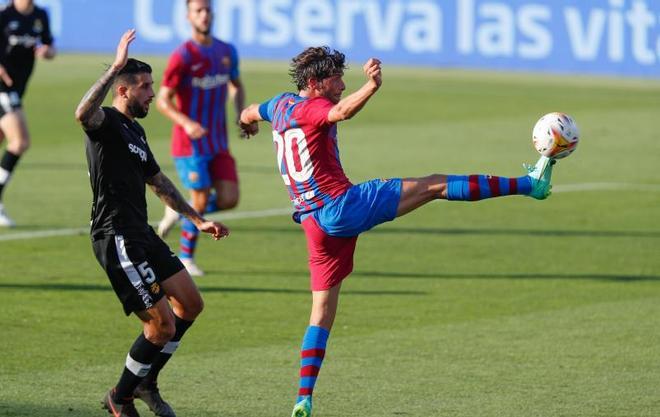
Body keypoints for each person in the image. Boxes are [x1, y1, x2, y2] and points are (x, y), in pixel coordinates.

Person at [239, 46, 556, 417]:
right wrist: (371, 86)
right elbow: (340, 112)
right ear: (313, 83)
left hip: (312, 224)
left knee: (321, 312)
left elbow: (248, 112)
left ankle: (303, 397)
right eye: (336, 78)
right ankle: (529, 184)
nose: (342, 84)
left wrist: (248, 123)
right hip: (341, 206)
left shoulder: (279, 104)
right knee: (434, 185)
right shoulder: (312, 109)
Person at [75, 30, 229, 417]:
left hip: (141, 233)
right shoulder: (105, 122)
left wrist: (197, 219)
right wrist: (114, 67)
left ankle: (145, 381)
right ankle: (121, 396)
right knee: (160, 326)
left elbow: (158, 182)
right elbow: (81, 113)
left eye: (151, 86)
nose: (151, 94)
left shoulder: (136, 131)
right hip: (115, 237)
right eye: (144, 87)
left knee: (190, 305)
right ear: (123, 90)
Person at [155, 0, 245, 276]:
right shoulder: (183, 56)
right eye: (198, 11)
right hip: (189, 144)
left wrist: (242, 115)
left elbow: (236, 85)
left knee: (230, 198)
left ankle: (179, 210)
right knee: (202, 200)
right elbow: (162, 99)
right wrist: (187, 122)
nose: (204, 15)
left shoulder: (226, 51)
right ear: (188, 17)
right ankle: (185, 257)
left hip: (218, 141)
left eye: (207, 10)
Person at [0, 0, 55, 226]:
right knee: (20, 141)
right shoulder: (4, 14)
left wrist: (47, 52)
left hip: (18, 88)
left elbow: (50, 47)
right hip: (3, 87)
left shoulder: (40, 15)